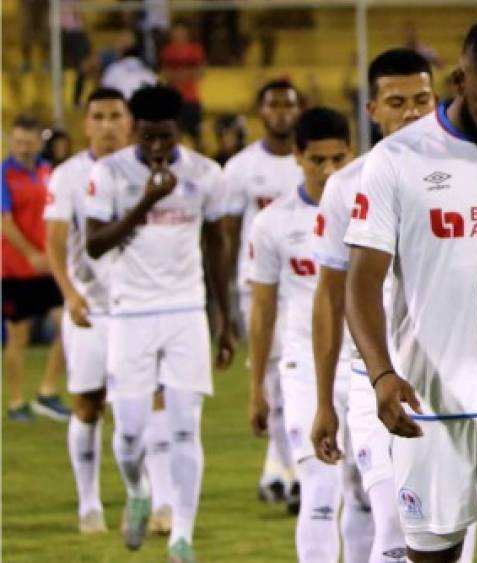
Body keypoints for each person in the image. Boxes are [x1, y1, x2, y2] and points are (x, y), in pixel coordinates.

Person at [344, 18, 477, 563]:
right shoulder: (398, 159)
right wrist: (382, 374)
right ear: (460, 80)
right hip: (430, 403)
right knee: (433, 557)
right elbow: (361, 281)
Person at [85, 85, 234, 563]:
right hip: (130, 313)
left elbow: (216, 246)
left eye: (165, 138)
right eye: (147, 137)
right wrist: (146, 203)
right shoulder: (107, 173)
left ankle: (181, 537)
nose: (156, 148)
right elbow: (94, 245)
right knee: (129, 435)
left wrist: (225, 320)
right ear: (133, 129)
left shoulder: (206, 174)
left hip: (186, 312)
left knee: (185, 428)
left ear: (178, 131)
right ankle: (137, 490)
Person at [311, 48, 437, 563]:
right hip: (373, 381)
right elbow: (329, 297)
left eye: (423, 100)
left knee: (446, 527)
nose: (411, 112)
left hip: (447, 378)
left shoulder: (476, 172)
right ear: (373, 110)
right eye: (397, 101)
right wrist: (325, 400)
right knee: (392, 527)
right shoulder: (345, 187)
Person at [248, 107, 355, 562]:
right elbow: (262, 307)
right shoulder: (273, 222)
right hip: (304, 368)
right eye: (318, 160)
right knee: (320, 485)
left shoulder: (371, 208)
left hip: (367, 364)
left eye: (338, 159)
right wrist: (257, 387)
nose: (329, 170)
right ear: (297, 156)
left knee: (368, 492)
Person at [43, 88, 146, 534]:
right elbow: (55, 241)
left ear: (129, 123)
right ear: (86, 125)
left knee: (142, 407)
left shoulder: (146, 172)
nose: (107, 124)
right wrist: (68, 292)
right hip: (90, 306)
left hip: (138, 309)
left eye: (115, 116)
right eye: (98, 116)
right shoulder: (67, 176)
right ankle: (89, 505)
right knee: (87, 404)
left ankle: (143, 496)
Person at [222, 78, 303, 509]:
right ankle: (283, 468)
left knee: (295, 375)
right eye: (273, 105)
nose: (281, 112)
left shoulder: (309, 162)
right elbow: (227, 235)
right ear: (260, 111)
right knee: (271, 377)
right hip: (255, 285)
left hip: (304, 284)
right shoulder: (239, 168)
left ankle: (285, 470)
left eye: (288, 105)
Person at [2, 115, 70, 422]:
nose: (22, 147)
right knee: (19, 336)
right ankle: (16, 402)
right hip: (15, 268)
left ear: (38, 143)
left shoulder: (47, 172)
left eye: (28, 141)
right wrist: (30, 254)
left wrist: (52, 253)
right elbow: (4, 222)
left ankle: (47, 391)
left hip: (48, 265)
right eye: (17, 142)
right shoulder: (4, 174)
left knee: (67, 325)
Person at [159, 20, 207, 149]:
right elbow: (165, 73)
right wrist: (187, 75)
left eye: (181, 32)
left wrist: (178, 76)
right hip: (173, 101)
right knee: (174, 137)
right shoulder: (167, 50)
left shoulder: (196, 49)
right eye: (176, 32)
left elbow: (200, 72)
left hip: (191, 99)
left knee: (197, 138)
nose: (179, 35)